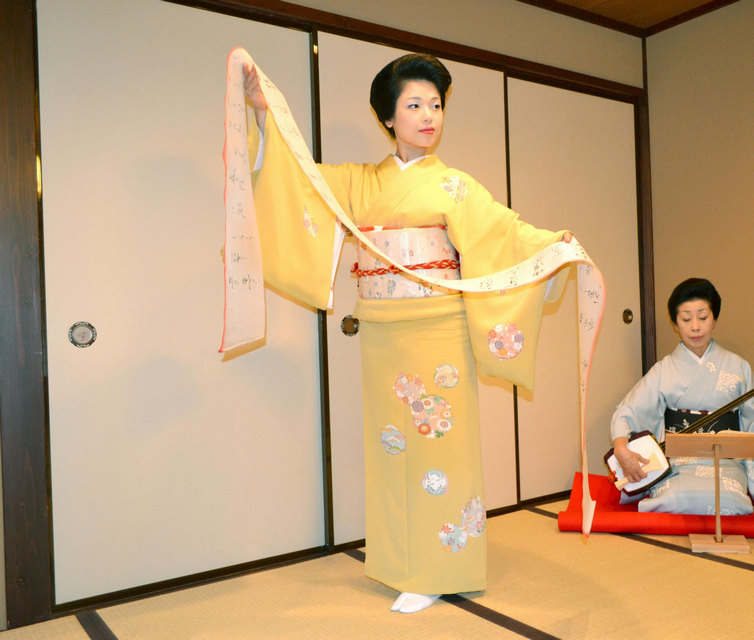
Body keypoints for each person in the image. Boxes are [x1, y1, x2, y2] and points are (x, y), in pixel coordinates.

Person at [241, 53, 575, 613]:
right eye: (414, 104)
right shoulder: (358, 182)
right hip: (382, 335)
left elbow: (506, 233)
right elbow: (298, 177)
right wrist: (263, 114)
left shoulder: (455, 186)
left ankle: (442, 567)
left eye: (436, 105)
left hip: (439, 332)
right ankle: (402, 564)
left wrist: (551, 247)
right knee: (392, 450)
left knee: (441, 449)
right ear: (388, 117)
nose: (428, 116)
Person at [609, 278, 754, 514]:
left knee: (730, 502)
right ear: (675, 323)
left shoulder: (738, 367)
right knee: (673, 501)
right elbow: (628, 410)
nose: (695, 327)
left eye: (703, 317)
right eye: (686, 319)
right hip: (677, 464)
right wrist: (621, 447)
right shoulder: (664, 370)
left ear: (714, 319)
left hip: (725, 463)